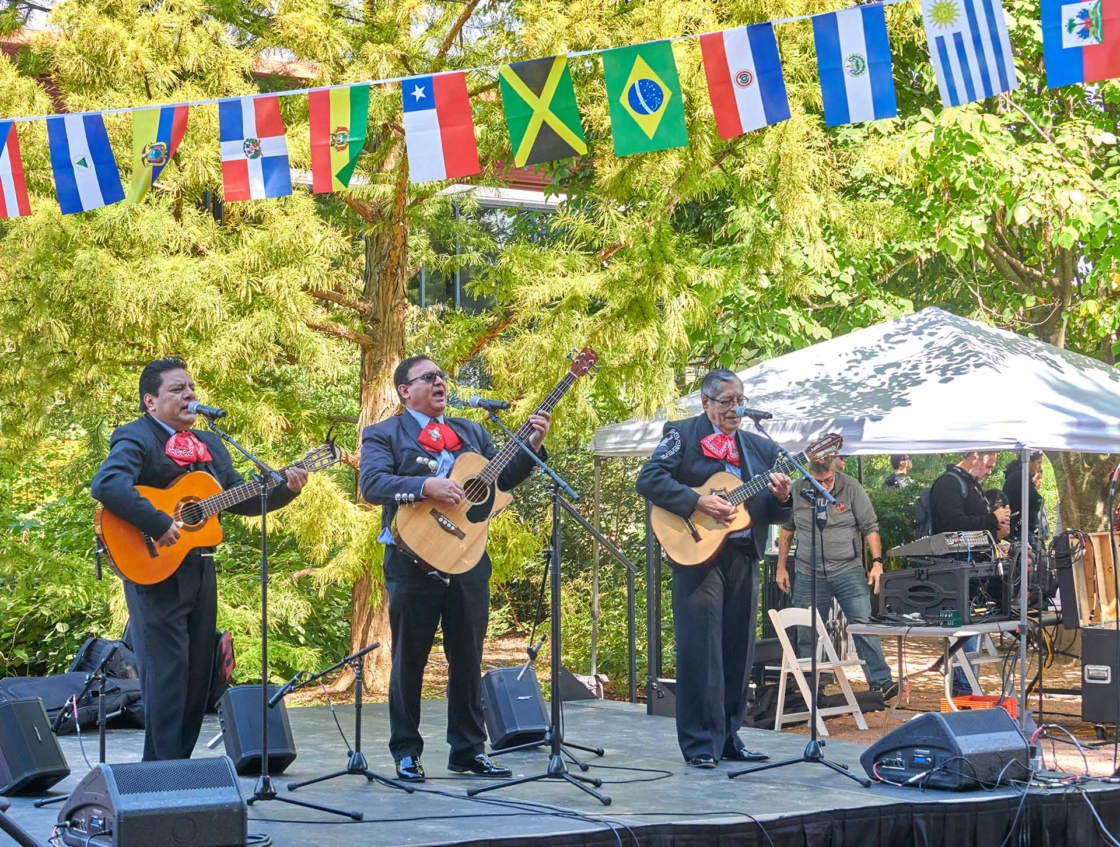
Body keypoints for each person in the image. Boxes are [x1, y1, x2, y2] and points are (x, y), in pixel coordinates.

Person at [90, 358, 307, 761]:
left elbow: (241, 498)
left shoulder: (210, 444)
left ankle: (178, 767)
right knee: (167, 675)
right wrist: (157, 522)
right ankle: (159, 775)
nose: (190, 394)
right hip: (152, 568)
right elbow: (107, 484)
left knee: (198, 675)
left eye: (191, 387)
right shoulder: (136, 436)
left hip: (201, 566)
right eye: (177, 389)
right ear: (150, 402)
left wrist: (285, 489)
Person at [359, 356, 549, 783]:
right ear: (404, 390)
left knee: (468, 657)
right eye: (428, 377)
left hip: (466, 558)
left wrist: (532, 446)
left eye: (441, 376)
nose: (439, 382)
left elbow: (500, 481)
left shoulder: (471, 431)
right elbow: (372, 485)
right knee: (410, 660)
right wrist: (424, 486)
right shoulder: (384, 433)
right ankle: (406, 751)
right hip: (413, 559)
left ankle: (468, 749)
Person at [636, 368, 792, 768]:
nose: (734, 409)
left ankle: (728, 737)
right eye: (726, 401)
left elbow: (771, 511)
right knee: (700, 650)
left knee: (738, 651)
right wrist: (696, 502)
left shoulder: (759, 447)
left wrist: (783, 497)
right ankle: (700, 743)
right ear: (706, 403)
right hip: (696, 555)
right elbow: (649, 479)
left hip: (743, 554)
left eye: (739, 401)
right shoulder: (682, 434)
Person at [775, 459, 897, 700]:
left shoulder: (851, 487)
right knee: (806, 630)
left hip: (848, 569)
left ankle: (881, 682)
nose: (824, 485)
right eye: (817, 481)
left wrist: (877, 562)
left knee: (863, 624)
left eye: (828, 480)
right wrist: (781, 566)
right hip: (808, 572)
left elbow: (870, 527)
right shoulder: (797, 490)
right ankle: (812, 688)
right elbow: (787, 530)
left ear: (835, 471)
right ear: (807, 474)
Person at [929, 452, 1010, 694]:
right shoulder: (948, 483)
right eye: (988, 466)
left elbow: (974, 527)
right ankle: (962, 687)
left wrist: (997, 532)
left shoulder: (970, 485)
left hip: (974, 566)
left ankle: (966, 684)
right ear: (975, 456)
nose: (989, 472)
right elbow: (954, 523)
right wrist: (991, 518)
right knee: (965, 626)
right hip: (955, 567)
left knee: (974, 624)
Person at [1002, 451, 1045, 542]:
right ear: (1029, 461)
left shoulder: (1018, 475)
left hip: (1021, 528)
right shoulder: (1020, 475)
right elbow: (1035, 500)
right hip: (1019, 530)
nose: (1039, 467)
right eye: (1038, 462)